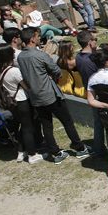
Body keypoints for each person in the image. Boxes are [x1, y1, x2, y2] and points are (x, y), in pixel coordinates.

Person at [16, 27, 90, 164]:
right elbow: (57, 71)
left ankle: (55, 152)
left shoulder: (21, 56)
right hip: (51, 95)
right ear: (32, 38)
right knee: (67, 121)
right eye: (38, 36)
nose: (39, 39)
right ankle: (79, 147)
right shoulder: (40, 55)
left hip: (35, 97)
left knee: (47, 125)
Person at [0, 43, 43, 163]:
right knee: (28, 128)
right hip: (21, 101)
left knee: (21, 126)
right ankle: (32, 154)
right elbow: (26, 87)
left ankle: (21, 151)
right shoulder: (14, 71)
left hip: (11, 102)